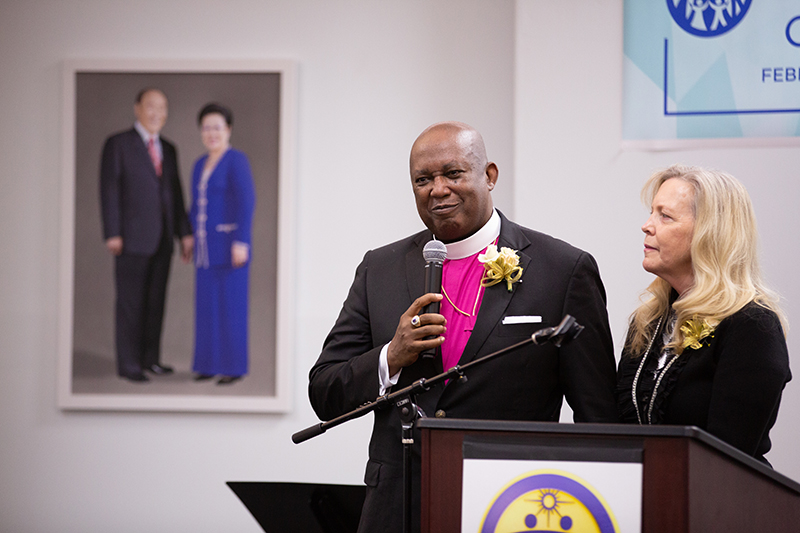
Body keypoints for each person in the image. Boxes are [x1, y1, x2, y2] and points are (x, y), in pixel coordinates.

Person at [308, 122, 618, 533]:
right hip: (399, 507)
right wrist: (390, 357)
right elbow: (325, 390)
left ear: (489, 176)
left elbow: (599, 419)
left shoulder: (562, 270)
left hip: (511, 502)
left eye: (453, 173)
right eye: (423, 180)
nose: (437, 190)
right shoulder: (378, 269)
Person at [616, 164, 791, 464]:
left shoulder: (752, 326)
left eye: (665, 216)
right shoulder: (648, 321)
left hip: (717, 505)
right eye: (651, 212)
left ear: (710, 233)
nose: (647, 225)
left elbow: (728, 457)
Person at [100, 88, 193, 382]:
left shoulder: (169, 147)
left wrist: (184, 233)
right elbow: (109, 190)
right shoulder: (118, 144)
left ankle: (150, 359)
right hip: (130, 239)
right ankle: (129, 364)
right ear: (137, 108)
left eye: (162, 107)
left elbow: (175, 195)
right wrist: (113, 232)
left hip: (163, 239)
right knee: (130, 304)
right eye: (151, 106)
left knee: (155, 303)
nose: (157, 113)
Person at [189, 103, 256, 385]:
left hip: (231, 249)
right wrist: (188, 237)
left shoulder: (236, 160)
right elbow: (194, 206)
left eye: (217, 127)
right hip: (205, 250)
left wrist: (241, 241)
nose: (212, 133)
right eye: (206, 128)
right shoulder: (198, 165)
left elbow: (246, 201)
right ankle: (207, 364)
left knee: (231, 308)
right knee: (206, 309)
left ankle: (233, 367)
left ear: (227, 130)